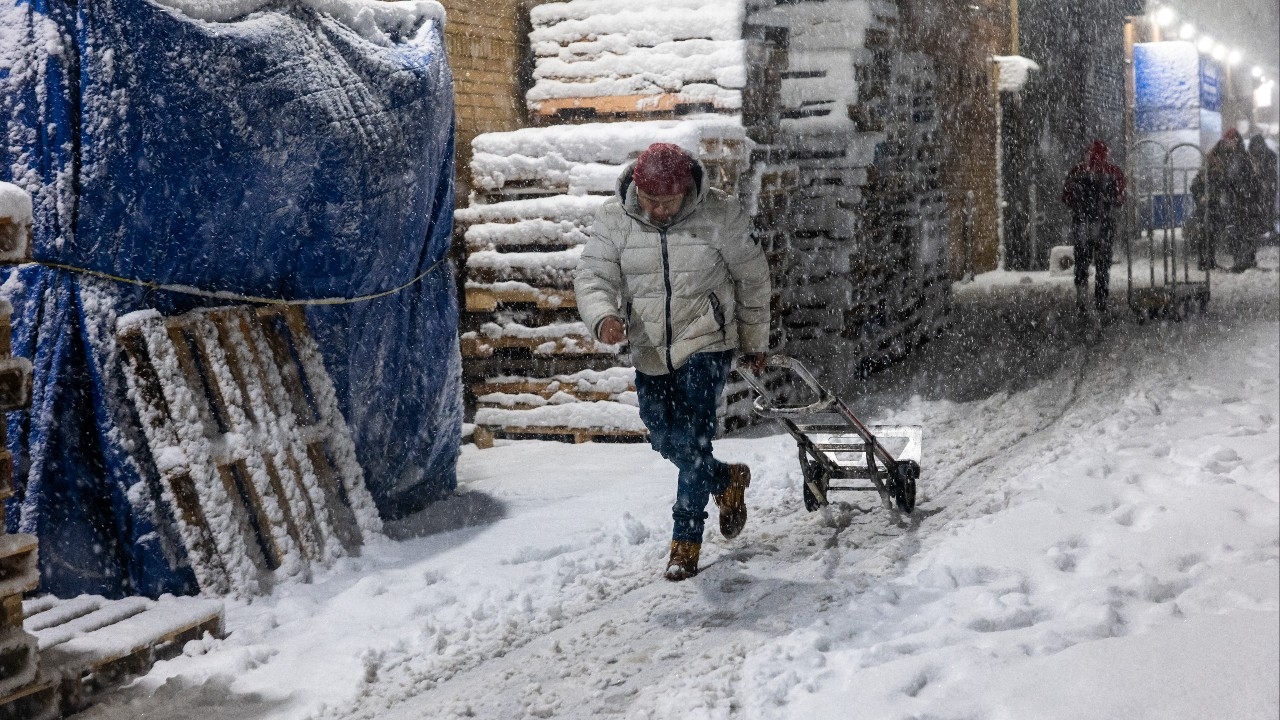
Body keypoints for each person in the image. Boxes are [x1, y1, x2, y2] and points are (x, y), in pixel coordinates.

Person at [574, 143, 771, 582]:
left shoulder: (720, 216)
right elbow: (593, 276)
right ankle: (724, 480)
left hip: (706, 340)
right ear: (636, 189)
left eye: (668, 202)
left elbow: (752, 278)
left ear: (688, 192)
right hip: (649, 347)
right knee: (664, 437)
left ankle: (685, 542)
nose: (658, 210)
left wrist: (755, 339)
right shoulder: (615, 220)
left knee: (693, 437)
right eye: (650, 201)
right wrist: (603, 315)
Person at [1061, 140, 1125, 316]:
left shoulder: (1077, 171)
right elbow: (1120, 199)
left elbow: (1065, 197)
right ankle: (1101, 300)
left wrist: (1079, 204)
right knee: (1103, 264)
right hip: (1104, 224)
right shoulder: (1113, 172)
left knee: (1082, 262)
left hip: (1081, 223)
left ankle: (1082, 300)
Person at [1203, 129, 1256, 272]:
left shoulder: (1238, 156)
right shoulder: (1227, 155)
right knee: (1236, 230)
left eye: (1232, 140)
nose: (1230, 143)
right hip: (1231, 199)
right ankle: (1242, 260)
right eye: (1228, 140)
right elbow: (1227, 179)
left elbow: (1232, 178)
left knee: (1238, 230)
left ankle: (1243, 260)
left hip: (1236, 199)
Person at [1248, 134, 1278, 254]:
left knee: (1268, 208)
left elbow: (1271, 173)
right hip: (1256, 187)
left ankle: (1269, 230)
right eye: (1255, 145)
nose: (1257, 148)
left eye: (1259, 145)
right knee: (1257, 209)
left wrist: (1264, 181)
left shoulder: (1269, 155)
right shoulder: (1250, 154)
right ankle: (1261, 231)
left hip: (1267, 187)